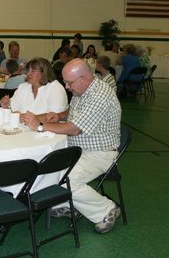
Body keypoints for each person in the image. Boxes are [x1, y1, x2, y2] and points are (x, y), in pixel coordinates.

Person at [22, 58, 122, 234]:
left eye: (69, 83)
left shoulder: (100, 96)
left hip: (99, 153)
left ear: (83, 78)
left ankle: (106, 210)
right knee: (49, 169)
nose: (67, 87)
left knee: (66, 179)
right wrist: (59, 116)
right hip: (77, 150)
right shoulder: (82, 90)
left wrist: (39, 125)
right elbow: (73, 113)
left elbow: (74, 129)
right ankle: (68, 204)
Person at [0, 57, 68, 116]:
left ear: (44, 72)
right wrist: (7, 105)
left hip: (46, 130)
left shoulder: (55, 88)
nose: (28, 74)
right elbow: (13, 109)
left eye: (33, 71)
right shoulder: (23, 87)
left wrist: (22, 117)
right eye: (28, 70)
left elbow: (54, 117)